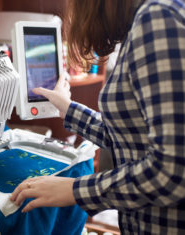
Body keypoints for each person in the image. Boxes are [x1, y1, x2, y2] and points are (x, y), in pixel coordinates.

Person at [10, 0, 185, 233]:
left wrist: (75, 190)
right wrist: (68, 108)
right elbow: (133, 137)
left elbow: (173, 169)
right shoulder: (149, 20)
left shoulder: (157, 19)